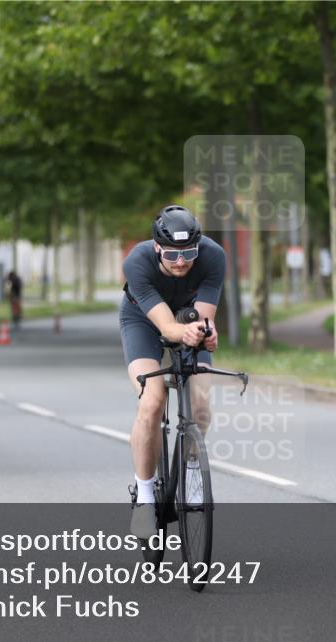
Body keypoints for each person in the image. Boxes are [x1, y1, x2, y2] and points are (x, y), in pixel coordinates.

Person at [120, 205, 225, 539]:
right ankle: (145, 496)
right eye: (171, 255)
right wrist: (191, 331)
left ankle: (192, 469)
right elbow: (165, 326)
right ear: (156, 249)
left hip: (187, 319)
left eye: (189, 253)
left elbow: (203, 316)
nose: (181, 262)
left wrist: (206, 331)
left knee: (201, 404)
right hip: (143, 320)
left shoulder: (213, 257)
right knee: (152, 401)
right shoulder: (137, 262)